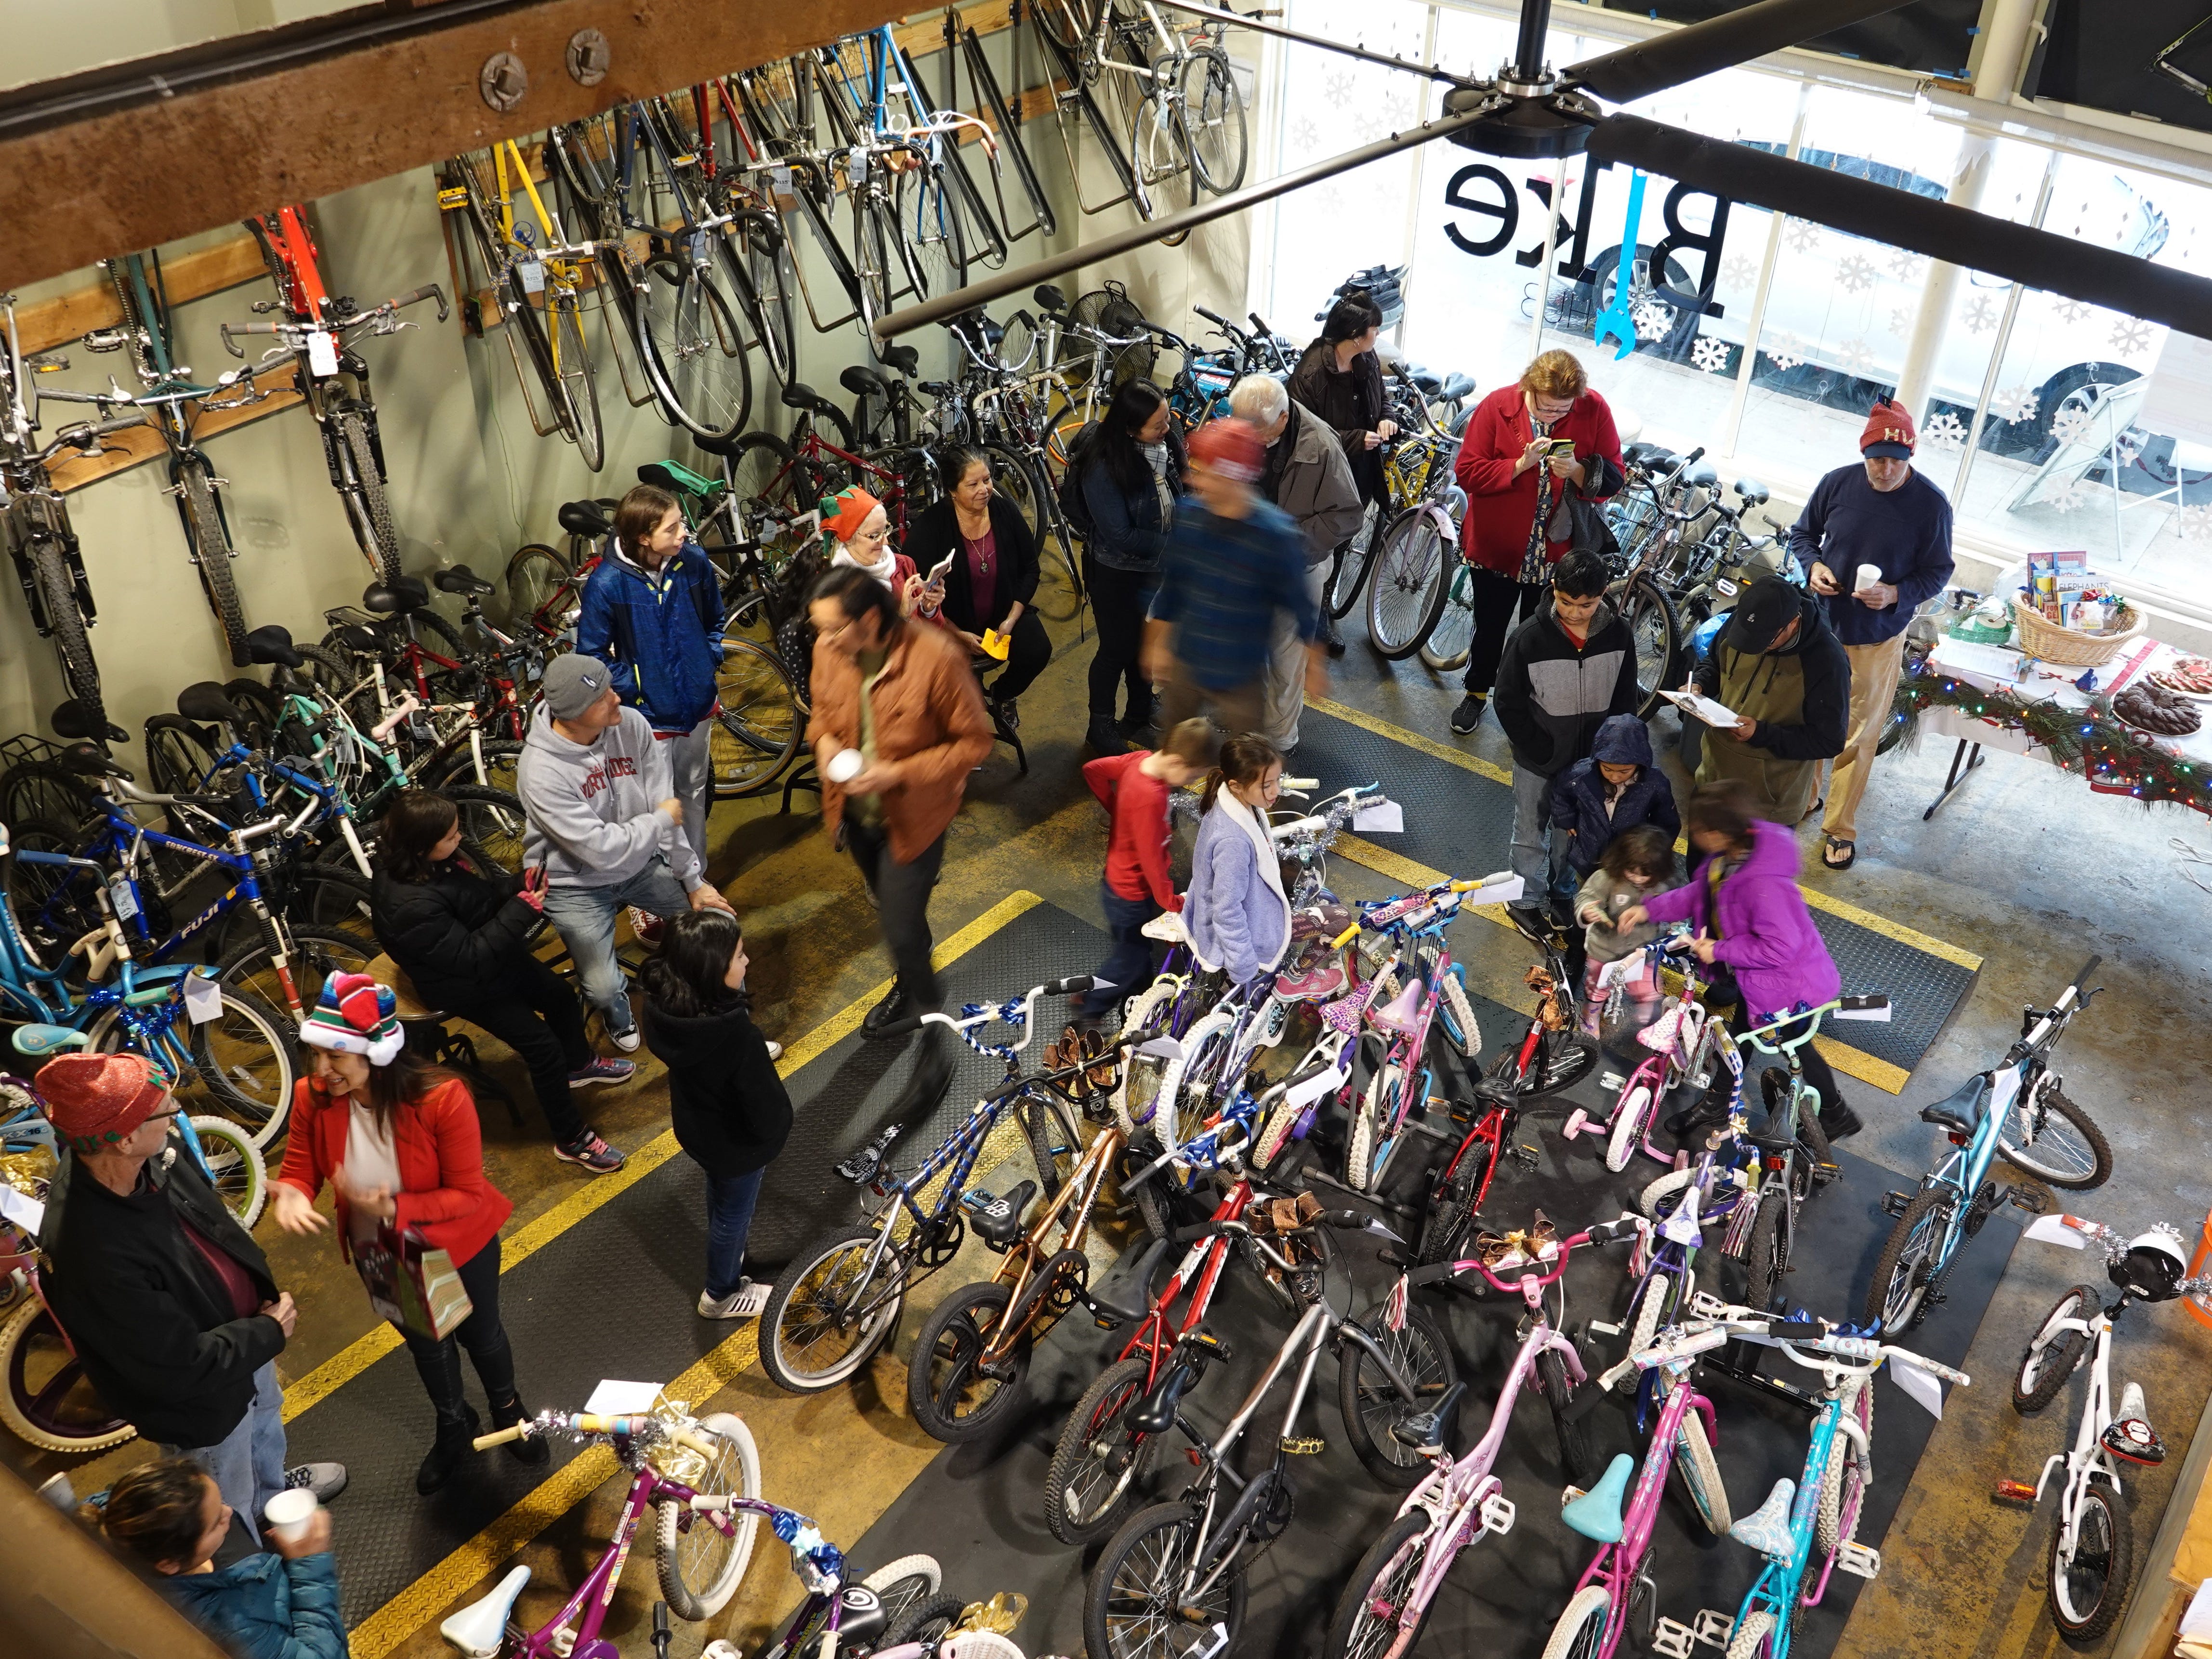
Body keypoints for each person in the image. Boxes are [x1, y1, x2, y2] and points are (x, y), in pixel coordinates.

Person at [33, 1052, 344, 1542]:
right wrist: (266, 1331)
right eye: (164, 1109)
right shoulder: (91, 1252)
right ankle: (248, 1559)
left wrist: (258, 1330)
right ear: (125, 1135)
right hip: (204, 1400)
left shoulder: (146, 1155)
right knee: (220, 1502)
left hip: (244, 1348)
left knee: (264, 1425)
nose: (176, 1112)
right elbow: (176, 1366)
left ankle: (271, 1500)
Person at [270, 974, 545, 1494]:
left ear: (374, 1055)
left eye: (336, 1056)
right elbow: (301, 1164)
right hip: (382, 1248)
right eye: (316, 1055)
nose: (321, 1070)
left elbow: (466, 1194)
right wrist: (291, 1192)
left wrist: (395, 1206)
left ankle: (508, 1410)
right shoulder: (314, 1097)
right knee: (426, 1345)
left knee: (481, 1335)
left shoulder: (442, 1099)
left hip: (455, 1242)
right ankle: (453, 1424)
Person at [807, 563, 993, 1177]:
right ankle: (909, 980)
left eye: (834, 631)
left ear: (867, 621)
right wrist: (826, 746)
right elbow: (819, 715)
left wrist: (897, 774)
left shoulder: (934, 657)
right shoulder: (828, 652)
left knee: (902, 924)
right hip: (853, 816)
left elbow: (975, 742)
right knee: (891, 915)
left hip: (913, 821)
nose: (825, 642)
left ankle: (935, 1023)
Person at [370, 789, 630, 1175]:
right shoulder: (410, 906)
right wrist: (523, 909)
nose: (460, 840)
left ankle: (579, 1065)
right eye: (452, 837)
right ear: (424, 845)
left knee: (560, 995)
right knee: (542, 1048)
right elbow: (470, 957)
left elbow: (475, 899)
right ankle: (572, 1139)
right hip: (461, 982)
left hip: (488, 956)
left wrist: (515, 885)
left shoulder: (430, 863)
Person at [517, 652, 735, 1055]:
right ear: (575, 715)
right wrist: (658, 822)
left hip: (640, 865)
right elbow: (601, 850)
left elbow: (662, 803)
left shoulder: (632, 726)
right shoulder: (541, 772)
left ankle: (726, 1012)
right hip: (574, 884)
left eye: (611, 689)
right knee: (602, 988)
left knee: (719, 924)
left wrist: (694, 881)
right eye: (603, 698)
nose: (617, 698)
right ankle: (617, 1015)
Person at [1621, 778, 1860, 1139]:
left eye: (1698, 828)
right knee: (1747, 1040)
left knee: (1784, 1042)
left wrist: (1717, 950)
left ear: (1717, 833)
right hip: (1763, 981)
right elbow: (1700, 895)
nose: (1694, 833)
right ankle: (1729, 1101)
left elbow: (1780, 947)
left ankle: (1834, 1113)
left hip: (1787, 986)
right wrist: (1649, 910)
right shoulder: (1733, 858)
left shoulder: (1763, 884)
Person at [1790, 398, 1955, 869]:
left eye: (1894, 462)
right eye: (1876, 460)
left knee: (1857, 733)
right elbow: (1802, 535)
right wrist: (1814, 567)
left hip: (1877, 635)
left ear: (1909, 459)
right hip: (1821, 627)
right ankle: (1805, 797)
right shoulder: (1836, 484)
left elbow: (1937, 570)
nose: (1884, 471)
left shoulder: (1930, 506)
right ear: (1863, 453)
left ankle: (1839, 827)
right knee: (1809, 717)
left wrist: (1896, 595)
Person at [1449, 349, 1624, 736]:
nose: (1554, 416)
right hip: (1499, 544)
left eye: (1563, 410)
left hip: (1556, 552)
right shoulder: (1498, 406)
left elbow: (1615, 476)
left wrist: (1578, 471)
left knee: (1546, 632)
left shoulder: (1593, 409)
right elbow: (1467, 473)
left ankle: (1533, 705)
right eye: (1547, 408)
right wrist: (1518, 466)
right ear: (1529, 387)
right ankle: (1476, 692)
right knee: (1490, 624)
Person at [641, 909, 793, 1320]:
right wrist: (775, 1133)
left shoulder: (663, 1006)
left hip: (697, 1126)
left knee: (722, 1196)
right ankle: (721, 1293)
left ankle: (728, 1257)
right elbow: (764, 1108)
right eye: (739, 957)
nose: (748, 963)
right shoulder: (735, 1036)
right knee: (733, 1215)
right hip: (735, 1144)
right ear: (712, 969)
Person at [1144, 418, 1327, 738]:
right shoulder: (1189, 517)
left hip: (1242, 673)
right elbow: (1172, 589)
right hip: (1188, 659)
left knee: (1247, 760)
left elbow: (1303, 608)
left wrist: (1314, 666)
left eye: (1204, 472)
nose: (1191, 478)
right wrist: (1155, 646)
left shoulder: (1275, 536)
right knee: (1172, 751)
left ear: (1233, 477)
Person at [575, 483, 725, 868]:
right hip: (650, 716)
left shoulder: (692, 561)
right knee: (656, 803)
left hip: (698, 704)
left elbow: (715, 618)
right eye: (672, 529)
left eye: (681, 525)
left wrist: (707, 659)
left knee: (692, 790)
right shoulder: (607, 584)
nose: (684, 534)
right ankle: (660, 888)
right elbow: (591, 658)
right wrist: (637, 689)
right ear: (644, 537)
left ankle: (696, 877)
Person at [1489, 548, 1641, 919]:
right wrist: (1540, 750)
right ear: (1553, 588)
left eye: (1586, 605)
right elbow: (1507, 702)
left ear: (1604, 594)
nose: (1574, 612)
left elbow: (1625, 702)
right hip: (1536, 763)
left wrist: (1610, 756)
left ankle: (1563, 892)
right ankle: (1523, 898)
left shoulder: (1620, 637)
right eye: (1566, 601)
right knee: (1529, 832)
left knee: (1570, 834)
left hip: (1590, 766)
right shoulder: (1529, 637)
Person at [98, 1457, 347, 1659]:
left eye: (222, 1503)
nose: (230, 1512)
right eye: (217, 1521)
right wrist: (310, 1566)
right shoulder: (232, 1631)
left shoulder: (117, 1519)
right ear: (169, 1564)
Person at [1229, 375, 1363, 748]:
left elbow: (1349, 515)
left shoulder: (1321, 446)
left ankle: (1280, 742)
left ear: (1283, 418)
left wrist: (1287, 544)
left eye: (1256, 427)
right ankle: (1246, 724)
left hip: (1299, 565)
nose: (1246, 434)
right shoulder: (1244, 427)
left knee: (1286, 659)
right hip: (1248, 564)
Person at [1076, 717, 1214, 1022]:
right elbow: (1151, 860)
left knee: (1135, 951)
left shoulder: (1139, 761)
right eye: (1192, 775)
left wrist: (1115, 808)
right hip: (1131, 892)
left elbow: (1093, 770)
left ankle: (1139, 1002)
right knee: (1131, 956)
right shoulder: (1149, 797)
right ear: (1177, 762)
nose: (1190, 783)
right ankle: (1088, 1008)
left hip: (1118, 882)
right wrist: (1171, 901)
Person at [903, 447, 1051, 728]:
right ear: (952, 491)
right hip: (950, 623)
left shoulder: (1005, 512)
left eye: (987, 480)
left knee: (1037, 650)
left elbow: (1031, 570)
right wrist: (958, 634)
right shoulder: (930, 529)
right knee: (960, 701)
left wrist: (1011, 620)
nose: (984, 490)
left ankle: (1003, 694)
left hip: (1001, 613)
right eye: (972, 484)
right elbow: (920, 598)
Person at [1686, 573, 1850, 828]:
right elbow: (1716, 662)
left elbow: (1828, 742)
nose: (1755, 646)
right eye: (1747, 638)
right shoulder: (1742, 623)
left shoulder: (1827, 662)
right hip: (1713, 779)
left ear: (1793, 623)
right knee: (1700, 864)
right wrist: (1700, 682)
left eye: (1766, 641)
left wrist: (1762, 734)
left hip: (1769, 804)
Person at [1079, 380, 1185, 755]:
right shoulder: (1103, 466)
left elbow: (1181, 486)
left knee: (1145, 643)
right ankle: (1100, 726)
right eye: (1158, 425)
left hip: (1155, 567)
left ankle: (1139, 709)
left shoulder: (1165, 444)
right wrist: (1173, 545)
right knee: (1116, 649)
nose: (1168, 430)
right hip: (1116, 572)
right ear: (1129, 428)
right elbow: (1121, 535)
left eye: (1167, 419)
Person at [1183, 735, 1290, 987]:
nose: (1277, 792)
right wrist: (1244, 966)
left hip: (1209, 914)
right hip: (1241, 941)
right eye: (1267, 786)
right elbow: (1227, 911)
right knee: (1336, 918)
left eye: (1278, 780)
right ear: (1236, 785)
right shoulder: (1234, 842)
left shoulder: (1232, 803)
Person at [1287, 290, 1396, 517]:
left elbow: (1381, 395)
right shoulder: (1311, 375)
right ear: (1356, 335)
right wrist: (1356, 440)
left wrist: (1387, 417)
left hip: (1362, 469)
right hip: (1325, 477)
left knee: (1348, 530)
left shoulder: (1367, 357)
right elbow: (1301, 436)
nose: (1378, 334)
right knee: (1328, 539)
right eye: (1375, 329)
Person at [1550, 712, 1682, 887]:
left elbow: (1668, 823)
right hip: (1588, 856)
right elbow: (1561, 792)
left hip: (1630, 865)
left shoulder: (1655, 784)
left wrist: (1653, 853)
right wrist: (1566, 819)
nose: (1614, 777)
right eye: (1607, 769)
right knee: (1589, 896)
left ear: (1641, 763)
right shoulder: (1580, 775)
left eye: (1624, 771)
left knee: (1622, 904)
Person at [1574, 824, 1678, 1040]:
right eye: (1632, 871)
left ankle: (1646, 1007)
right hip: (1604, 950)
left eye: (1646, 875)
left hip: (1641, 952)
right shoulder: (1606, 878)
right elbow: (1585, 898)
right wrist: (1588, 911)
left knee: (1648, 984)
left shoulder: (1663, 885)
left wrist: (1672, 921)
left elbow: (1674, 904)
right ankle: (1590, 1014)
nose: (1638, 879)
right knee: (1598, 986)